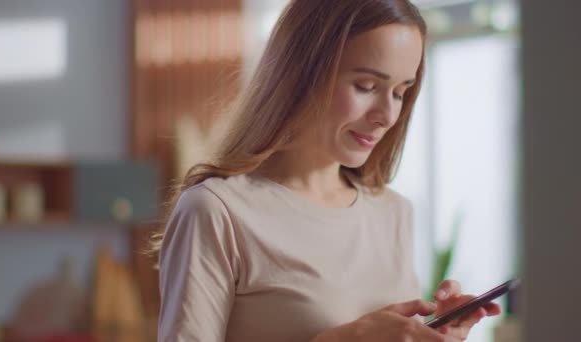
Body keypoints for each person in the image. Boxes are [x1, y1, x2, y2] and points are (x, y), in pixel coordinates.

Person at [154, 0, 501, 341]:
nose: (388, 115)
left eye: (400, 93)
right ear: (301, 74)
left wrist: (432, 335)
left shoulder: (393, 213)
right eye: (366, 86)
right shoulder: (217, 211)